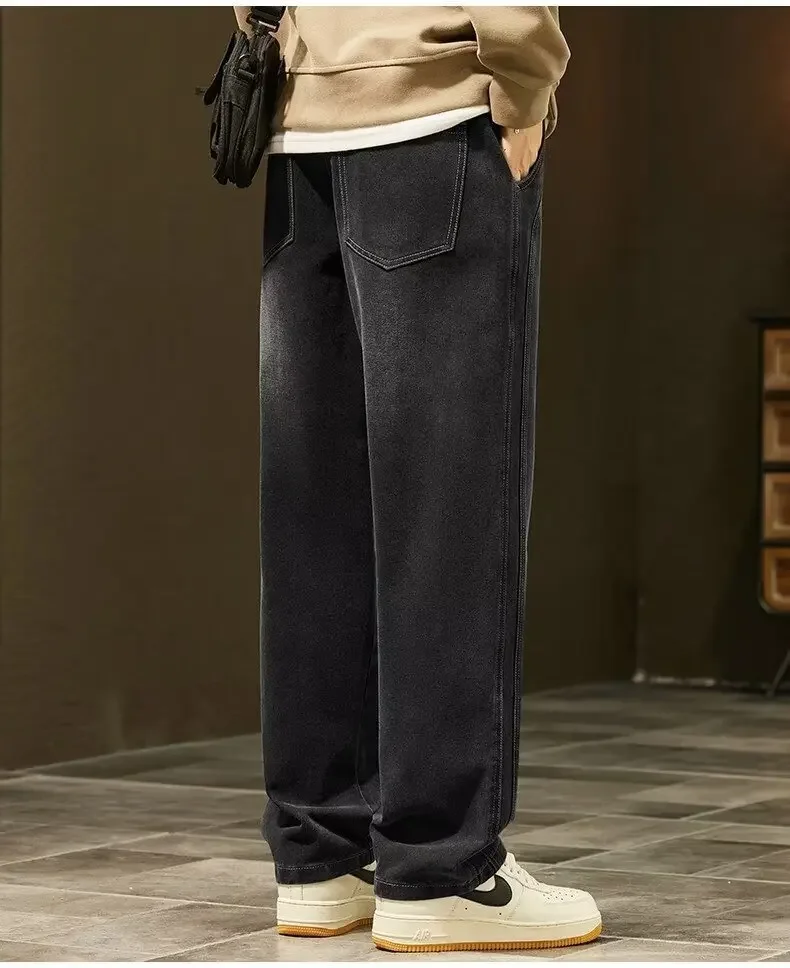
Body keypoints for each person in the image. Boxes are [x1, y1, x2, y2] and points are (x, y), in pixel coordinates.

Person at [234, 5, 602, 952]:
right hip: (432, 112)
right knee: (449, 505)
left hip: (302, 125)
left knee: (316, 517)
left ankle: (320, 854)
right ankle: (443, 866)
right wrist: (525, 79)